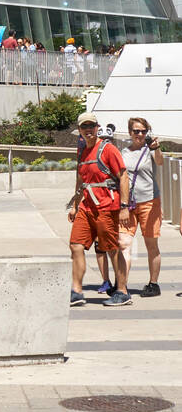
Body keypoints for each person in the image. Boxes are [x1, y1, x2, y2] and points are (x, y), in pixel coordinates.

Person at [68, 113, 131, 308]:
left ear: (97, 128)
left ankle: (122, 291)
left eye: (91, 126)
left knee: (112, 249)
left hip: (107, 207)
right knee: (76, 246)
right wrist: (74, 205)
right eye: (84, 127)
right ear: (79, 130)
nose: (88, 130)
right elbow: (81, 181)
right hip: (87, 208)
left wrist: (124, 207)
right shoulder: (83, 152)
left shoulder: (107, 149)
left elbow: (123, 176)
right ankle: (77, 291)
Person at [122, 117, 165, 298]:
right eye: (136, 131)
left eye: (143, 131)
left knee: (151, 244)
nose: (140, 134)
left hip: (149, 201)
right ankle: (121, 285)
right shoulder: (123, 152)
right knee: (123, 243)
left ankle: (153, 284)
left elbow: (161, 162)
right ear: (130, 133)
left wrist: (155, 147)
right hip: (128, 204)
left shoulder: (151, 151)